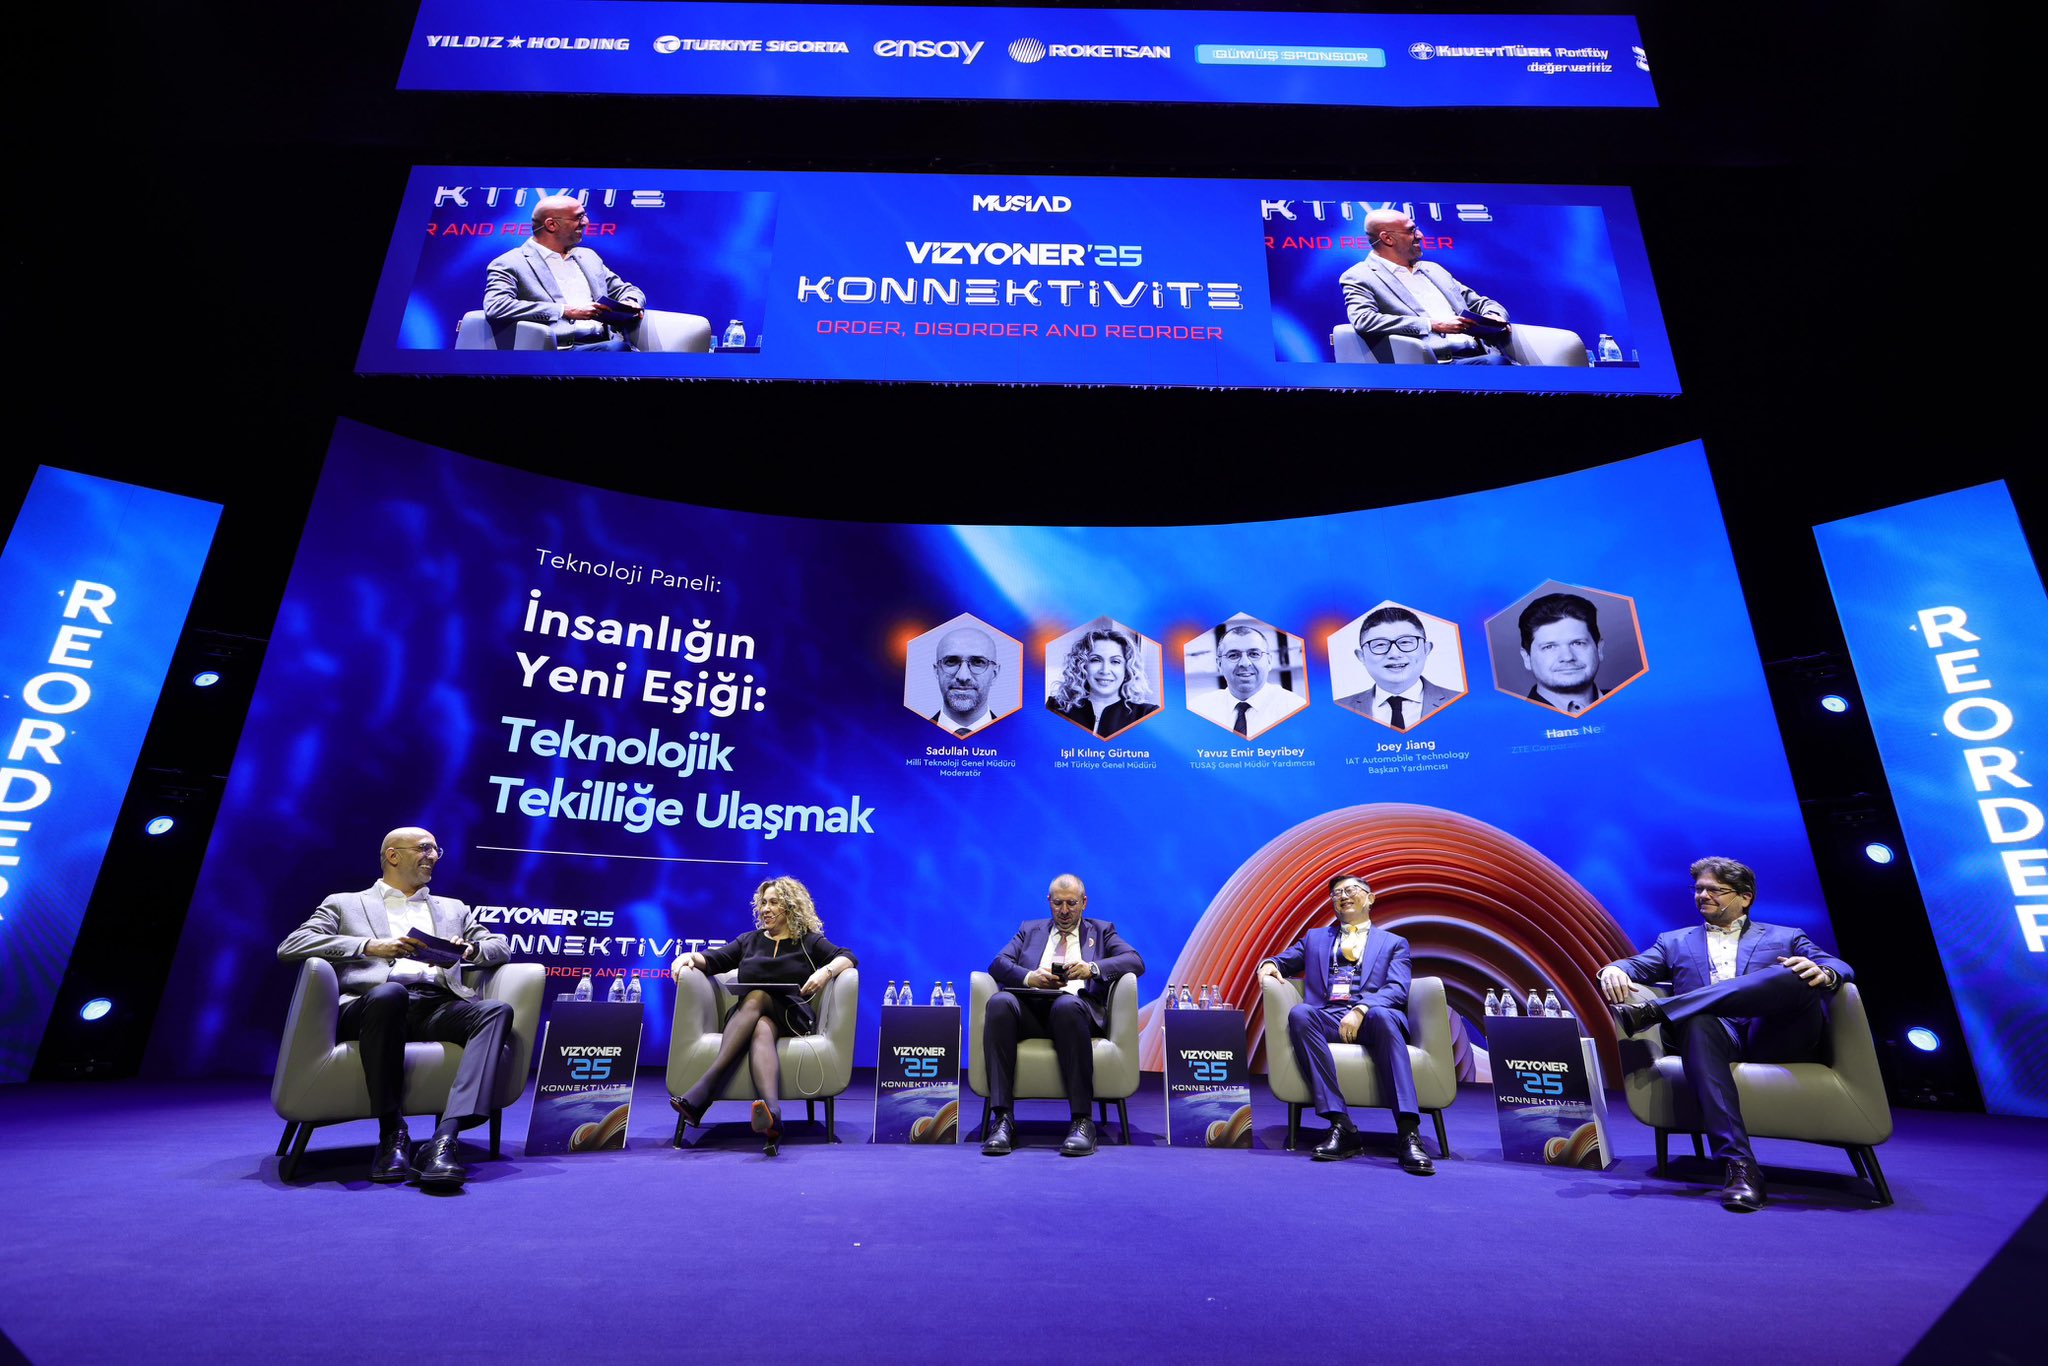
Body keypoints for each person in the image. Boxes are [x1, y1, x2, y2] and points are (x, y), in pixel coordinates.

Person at [1600, 857, 1853, 1212]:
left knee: (1793, 973)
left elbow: (1838, 964)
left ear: (1745, 897)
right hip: (1716, 1039)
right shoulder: (1673, 941)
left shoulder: (1786, 936)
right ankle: (1740, 1167)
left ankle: (1659, 1010)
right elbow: (1634, 965)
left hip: (1776, 1035)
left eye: (1714, 890)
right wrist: (1612, 969)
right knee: (1698, 1022)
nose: (1703, 896)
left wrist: (1825, 973)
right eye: (1698, 889)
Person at [276, 827, 514, 1189]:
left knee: (495, 1011)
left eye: (436, 850)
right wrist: (370, 946)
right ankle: (392, 1132)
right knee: (390, 995)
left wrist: (469, 950)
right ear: (393, 855)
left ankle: (443, 1140)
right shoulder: (345, 903)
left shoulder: (454, 908)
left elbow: (500, 946)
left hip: (436, 1004)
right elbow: (292, 945)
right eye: (424, 849)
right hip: (372, 1006)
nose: (433, 857)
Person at [1258, 875, 1436, 1175]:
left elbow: (1397, 989)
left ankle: (1408, 1133)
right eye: (1336, 893)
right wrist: (1269, 964)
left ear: (1370, 898)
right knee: (1300, 1014)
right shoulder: (1316, 939)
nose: (1343, 895)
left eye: (1350, 889)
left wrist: (1362, 1008)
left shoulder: (1394, 943)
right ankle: (1341, 1125)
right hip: (1329, 1016)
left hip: (1375, 1017)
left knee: (1383, 1016)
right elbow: (1283, 960)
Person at [671, 876, 857, 1156]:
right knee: (760, 1025)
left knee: (757, 996)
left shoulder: (808, 942)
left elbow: (848, 956)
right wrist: (686, 958)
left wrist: (824, 972)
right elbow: (712, 960)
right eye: (763, 903)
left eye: (774, 903)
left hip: (792, 1017)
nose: (765, 909)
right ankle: (773, 1117)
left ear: (790, 907)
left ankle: (705, 1090)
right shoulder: (749, 941)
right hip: (749, 1018)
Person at [980, 874, 1145, 1157]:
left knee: (1066, 1005)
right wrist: (1031, 977)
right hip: (1032, 1010)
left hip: (1074, 1014)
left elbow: (1135, 961)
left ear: (1084, 902)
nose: (1065, 911)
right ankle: (1003, 1120)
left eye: (1071, 903)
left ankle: (1082, 1122)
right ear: (1049, 901)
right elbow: (998, 964)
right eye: (1058, 903)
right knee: (999, 1002)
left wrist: (1092, 969)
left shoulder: (1102, 931)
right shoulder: (1029, 930)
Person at [1339, 208, 1515, 365]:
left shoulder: (1433, 269)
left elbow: (1481, 303)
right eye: (1411, 230)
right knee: (1497, 365)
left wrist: (1495, 317)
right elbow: (1364, 320)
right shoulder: (1360, 276)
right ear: (1387, 238)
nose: (1420, 235)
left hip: (1482, 353)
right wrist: (1432, 325)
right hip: (1437, 362)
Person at [482, 194, 645, 351]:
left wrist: (631, 302)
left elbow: (626, 290)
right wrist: (565, 311)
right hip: (559, 349)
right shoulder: (510, 262)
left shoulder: (588, 257)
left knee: (622, 350)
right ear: (551, 225)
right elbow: (496, 306)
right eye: (579, 217)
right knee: (619, 351)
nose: (586, 222)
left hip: (606, 342)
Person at [1333, 607, 1461, 729]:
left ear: (1426, 649)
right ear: (1361, 656)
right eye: (1380, 644)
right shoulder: (1338, 709)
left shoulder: (1459, 702)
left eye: (1405, 642)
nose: (1394, 654)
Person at [1187, 621, 1306, 739]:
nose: (1244, 663)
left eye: (1254, 654)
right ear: (1219, 664)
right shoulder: (1199, 710)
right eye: (1233, 655)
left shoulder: (1295, 709)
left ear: (1269, 661)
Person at [1046, 626, 1159, 739]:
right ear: (1082, 666)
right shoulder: (1056, 707)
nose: (1105, 670)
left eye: (1115, 661)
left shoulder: (1147, 714)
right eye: (1096, 660)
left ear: (1127, 669)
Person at [1517, 592, 1606, 714]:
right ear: (1527, 657)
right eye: (1549, 647)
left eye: (1578, 643)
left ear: (1599, 649)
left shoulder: (1629, 705)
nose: (1567, 657)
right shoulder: (1512, 722)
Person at [929, 624, 1003, 736]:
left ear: (994, 674)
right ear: (936, 671)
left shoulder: (1020, 740)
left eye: (978, 662)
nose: (963, 676)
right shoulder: (908, 738)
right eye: (951, 661)